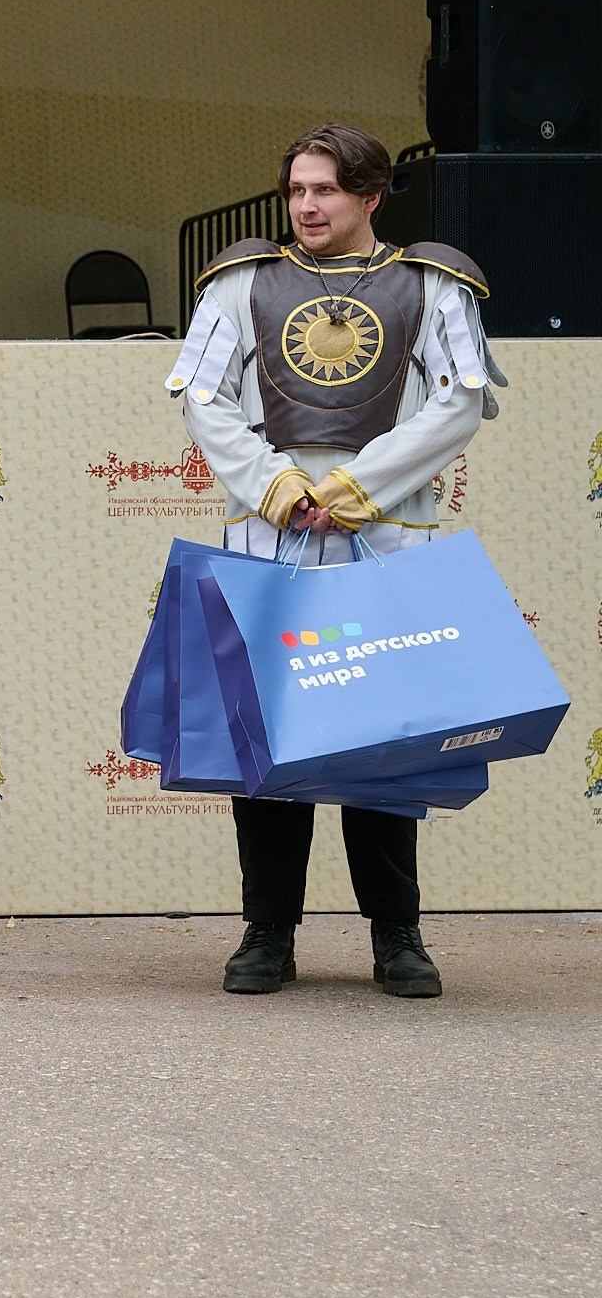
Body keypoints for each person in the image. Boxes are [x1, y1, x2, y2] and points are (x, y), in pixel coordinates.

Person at [169, 123, 494, 999]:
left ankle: (398, 935)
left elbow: (460, 402)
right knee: (266, 743)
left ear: (370, 197)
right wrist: (275, 483)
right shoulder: (241, 283)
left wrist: (354, 486)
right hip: (268, 532)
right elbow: (201, 395)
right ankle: (267, 931)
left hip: (384, 535)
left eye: (325, 191)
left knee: (387, 742)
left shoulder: (432, 284)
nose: (306, 206)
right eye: (297, 190)